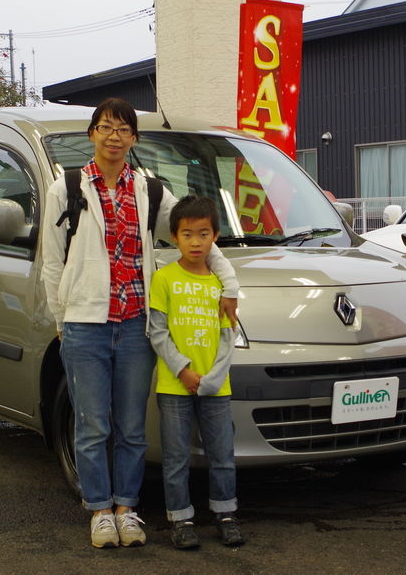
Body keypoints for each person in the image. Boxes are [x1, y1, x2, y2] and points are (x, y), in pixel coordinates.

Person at [41, 98, 239, 548]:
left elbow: (197, 232)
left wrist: (229, 284)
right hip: (84, 324)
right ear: (92, 133)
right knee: (92, 424)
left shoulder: (148, 189)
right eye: (106, 127)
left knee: (131, 427)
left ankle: (127, 509)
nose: (115, 136)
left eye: (124, 129)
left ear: (134, 139)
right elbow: (52, 262)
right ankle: (99, 510)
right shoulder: (67, 187)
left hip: (134, 324)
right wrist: (60, 317)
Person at [148, 195, 244, 550]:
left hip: (217, 388)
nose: (195, 242)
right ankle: (180, 518)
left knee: (222, 456)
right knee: (175, 458)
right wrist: (183, 370)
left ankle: (226, 514)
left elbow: (228, 335)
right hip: (175, 386)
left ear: (215, 236)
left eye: (203, 234)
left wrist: (214, 378)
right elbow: (157, 332)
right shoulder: (163, 278)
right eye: (187, 234)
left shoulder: (221, 285)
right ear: (175, 236)